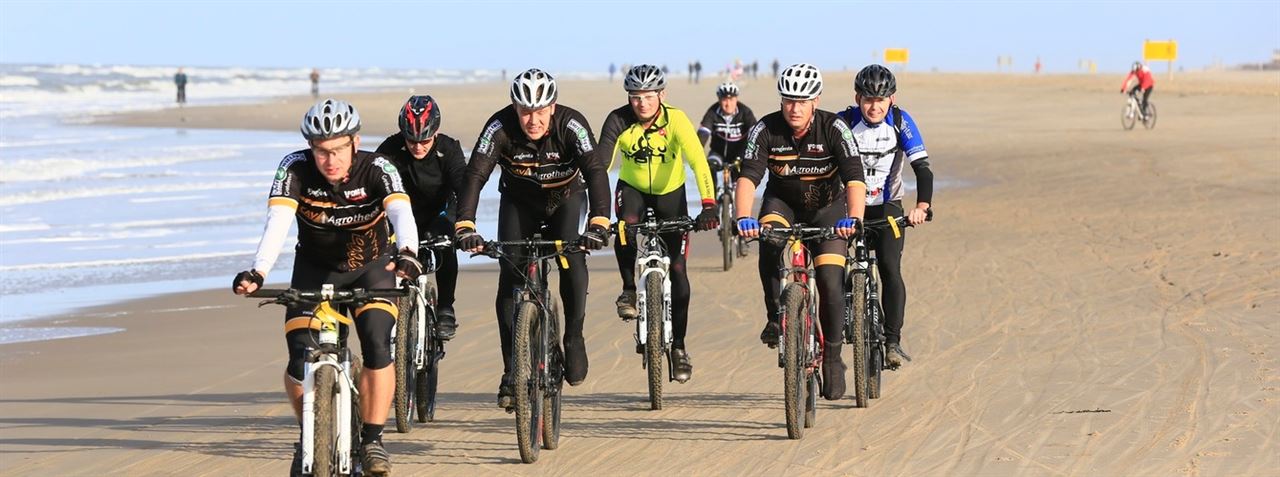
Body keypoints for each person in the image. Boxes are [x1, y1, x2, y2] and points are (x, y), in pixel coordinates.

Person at [232, 98, 422, 476]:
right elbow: (278, 220)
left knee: (376, 344)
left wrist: (408, 254)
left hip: (372, 269)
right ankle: (311, 434)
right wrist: (259, 272)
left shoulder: (379, 168)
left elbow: (401, 211)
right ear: (311, 148)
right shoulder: (294, 167)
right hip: (314, 270)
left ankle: (372, 439)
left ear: (355, 141)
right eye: (321, 151)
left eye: (337, 149)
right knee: (298, 357)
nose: (329, 160)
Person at [454, 68, 611, 409]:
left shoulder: (572, 124)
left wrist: (599, 222)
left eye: (540, 111)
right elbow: (475, 174)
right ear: (514, 108)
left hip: (565, 200)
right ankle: (511, 371)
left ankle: (573, 336)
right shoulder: (498, 127)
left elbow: (596, 171)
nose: (533, 120)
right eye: (525, 112)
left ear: (552, 107)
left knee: (572, 257)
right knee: (511, 275)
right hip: (519, 203)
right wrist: (465, 224)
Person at [735, 64, 865, 401]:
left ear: (816, 100)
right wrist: (742, 217)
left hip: (829, 210)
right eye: (789, 100)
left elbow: (854, 177)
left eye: (802, 101)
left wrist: (854, 219)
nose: (795, 108)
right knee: (767, 243)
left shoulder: (834, 127)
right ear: (781, 101)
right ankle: (774, 317)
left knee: (830, 282)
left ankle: (833, 359)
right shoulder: (765, 128)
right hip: (783, 205)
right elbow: (749, 176)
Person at [597, 65, 718, 383]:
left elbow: (697, 161)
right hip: (632, 189)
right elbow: (601, 163)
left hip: (670, 195)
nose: (641, 104)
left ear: (661, 95)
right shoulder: (618, 120)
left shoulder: (676, 119)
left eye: (648, 96)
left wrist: (709, 205)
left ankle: (678, 347)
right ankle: (627, 290)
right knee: (626, 224)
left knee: (678, 269)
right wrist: (590, 202)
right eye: (635, 97)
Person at [835, 64, 933, 370]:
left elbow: (922, 167)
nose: (874, 106)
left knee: (890, 268)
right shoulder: (843, 122)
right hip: (847, 208)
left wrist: (923, 206)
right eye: (867, 99)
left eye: (881, 99)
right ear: (857, 98)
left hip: (887, 206)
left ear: (891, 99)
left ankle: (892, 341)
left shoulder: (901, 121)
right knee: (832, 266)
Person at [375, 95, 466, 340]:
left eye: (424, 140)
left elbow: (464, 188)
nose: (418, 147)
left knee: (445, 245)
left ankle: (446, 307)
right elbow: (373, 187)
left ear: (435, 132)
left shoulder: (449, 149)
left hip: (440, 212)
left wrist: (465, 224)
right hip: (402, 215)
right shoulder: (390, 149)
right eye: (412, 140)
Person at [697, 81, 757, 194]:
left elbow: (754, 134)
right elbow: (703, 133)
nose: (728, 104)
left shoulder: (745, 112)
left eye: (731, 99)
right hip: (718, 152)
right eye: (724, 99)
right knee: (710, 166)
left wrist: (749, 154)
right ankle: (712, 200)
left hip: (739, 153)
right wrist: (697, 152)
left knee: (739, 177)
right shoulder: (712, 112)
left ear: (736, 99)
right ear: (719, 100)